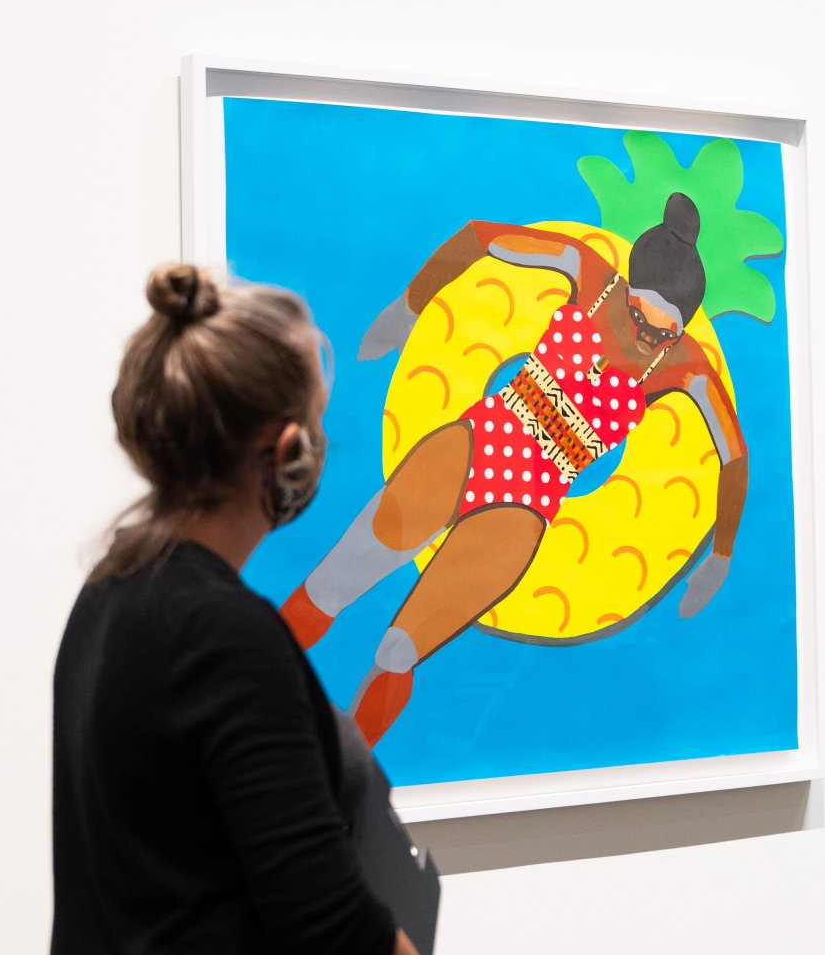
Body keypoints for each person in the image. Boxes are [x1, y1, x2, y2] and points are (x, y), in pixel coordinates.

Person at [50, 263, 457, 955]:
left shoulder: (117, 595)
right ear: (285, 450)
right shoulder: (224, 634)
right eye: (315, 425)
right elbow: (321, 923)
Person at [282, 193, 748, 746]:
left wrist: (720, 555)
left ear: (682, 328)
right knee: (333, 581)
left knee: (400, 651)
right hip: (475, 444)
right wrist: (408, 307)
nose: (647, 334)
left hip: (527, 505)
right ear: (627, 288)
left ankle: (341, 790)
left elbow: (734, 455)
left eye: (663, 331)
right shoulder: (590, 273)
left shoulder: (684, 364)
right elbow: (481, 235)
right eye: (641, 315)